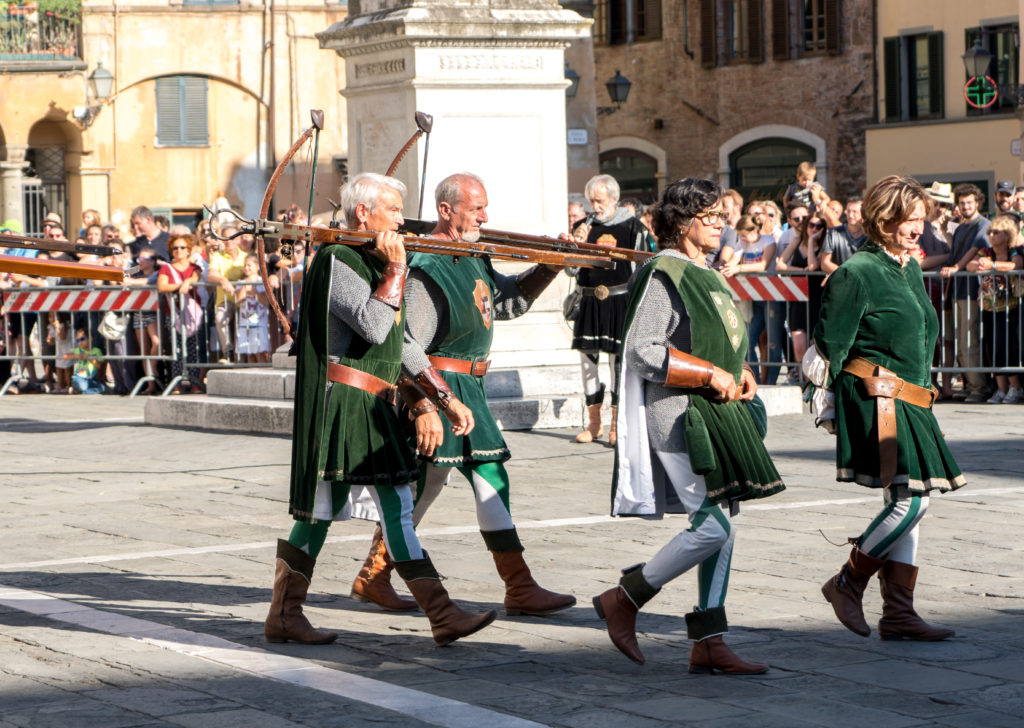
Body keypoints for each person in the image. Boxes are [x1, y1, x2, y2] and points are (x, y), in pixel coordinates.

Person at [263, 172, 494, 648]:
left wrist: (441, 396)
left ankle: (437, 612)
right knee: (322, 513)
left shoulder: (371, 259)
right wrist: (397, 271)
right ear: (363, 214)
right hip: (342, 403)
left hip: (371, 403)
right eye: (392, 210)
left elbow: (403, 343)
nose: (401, 221)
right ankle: (288, 614)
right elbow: (372, 326)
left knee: (393, 506)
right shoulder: (336, 260)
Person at [349, 172, 576, 618]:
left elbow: (505, 302)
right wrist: (423, 401)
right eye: (476, 209)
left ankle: (377, 574)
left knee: (440, 480)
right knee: (446, 479)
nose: (485, 216)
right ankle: (517, 585)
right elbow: (406, 341)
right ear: (446, 210)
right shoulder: (428, 265)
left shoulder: (474, 254)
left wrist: (548, 266)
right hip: (439, 386)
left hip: (470, 385)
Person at [594, 178, 784, 673]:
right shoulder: (665, 273)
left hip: (719, 414)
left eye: (723, 216)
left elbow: (723, 343)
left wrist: (741, 372)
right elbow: (642, 349)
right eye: (712, 216)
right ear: (682, 222)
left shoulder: (710, 274)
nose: (721, 224)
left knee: (724, 526)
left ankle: (709, 639)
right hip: (679, 415)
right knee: (713, 524)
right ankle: (625, 597)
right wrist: (710, 373)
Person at [811, 174, 961, 642]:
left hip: (914, 398)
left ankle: (898, 613)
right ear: (882, 218)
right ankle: (847, 582)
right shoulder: (856, 272)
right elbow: (829, 346)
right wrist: (831, 406)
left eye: (921, 219)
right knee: (912, 500)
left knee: (909, 497)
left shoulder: (908, 267)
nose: (917, 228)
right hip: (877, 398)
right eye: (907, 219)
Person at [569, 174, 648, 445]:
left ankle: (616, 424)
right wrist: (576, 245)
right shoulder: (583, 225)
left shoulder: (634, 227)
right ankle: (594, 423)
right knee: (587, 365)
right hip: (590, 302)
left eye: (599, 200)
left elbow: (641, 270)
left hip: (619, 301)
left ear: (614, 199)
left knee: (617, 365)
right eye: (591, 200)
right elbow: (570, 269)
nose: (595, 206)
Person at [939, 183, 990, 403]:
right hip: (956, 290)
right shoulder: (959, 228)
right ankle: (970, 385)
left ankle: (978, 387)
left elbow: (973, 252)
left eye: (969, 202)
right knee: (958, 340)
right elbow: (955, 251)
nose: (966, 206)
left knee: (969, 339)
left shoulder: (984, 225)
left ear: (977, 203)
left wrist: (957, 268)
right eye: (962, 203)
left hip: (971, 290)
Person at [964, 215, 1023, 403]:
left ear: (1007, 235)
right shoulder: (985, 252)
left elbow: (1018, 265)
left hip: (1009, 306)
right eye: (990, 232)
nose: (991, 235)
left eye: (996, 232)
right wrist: (981, 264)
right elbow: (969, 265)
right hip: (989, 307)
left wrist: (994, 266)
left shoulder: (1014, 251)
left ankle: (1015, 387)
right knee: (992, 347)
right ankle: (1001, 388)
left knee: (1007, 347)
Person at [720, 215, 784, 384]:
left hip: (772, 297)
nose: (742, 239)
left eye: (744, 235)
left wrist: (738, 267)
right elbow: (734, 258)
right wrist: (728, 267)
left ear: (755, 230)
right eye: (740, 235)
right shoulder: (742, 243)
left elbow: (763, 265)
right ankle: (754, 378)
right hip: (753, 298)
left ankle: (771, 382)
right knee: (747, 339)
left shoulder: (768, 241)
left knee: (773, 342)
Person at [157, 233, 203, 393]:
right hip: (174, 312)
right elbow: (162, 286)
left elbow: (196, 278)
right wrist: (180, 285)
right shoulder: (166, 268)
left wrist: (187, 282)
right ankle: (177, 382)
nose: (179, 250)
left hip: (192, 312)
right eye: (175, 248)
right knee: (176, 348)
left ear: (189, 249)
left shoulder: (194, 268)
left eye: (183, 247)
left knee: (193, 348)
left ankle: (194, 381)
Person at [205, 224, 248, 363]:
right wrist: (223, 280)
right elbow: (210, 275)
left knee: (240, 328)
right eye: (225, 238)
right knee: (220, 317)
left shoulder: (246, 256)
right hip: (226, 300)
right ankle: (228, 352)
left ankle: (241, 358)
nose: (228, 241)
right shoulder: (218, 256)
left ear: (238, 239)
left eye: (232, 237)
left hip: (244, 301)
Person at [125, 247, 162, 394]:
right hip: (139, 313)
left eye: (143, 259)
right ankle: (150, 384)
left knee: (156, 343)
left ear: (152, 261)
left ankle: (153, 369)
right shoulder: (136, 271)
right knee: (144, 350)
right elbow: (122, 275)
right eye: (138, 258)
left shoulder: (157, 273)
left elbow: (147, 281)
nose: (139, 261)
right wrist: (129, 266)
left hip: (153, 313)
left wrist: (129, 282)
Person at [236, 254, 271, 364]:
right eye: (245, 265)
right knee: (250, 353)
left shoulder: (263, 281)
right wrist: (246, 287)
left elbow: (266, 301)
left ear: (257, 266)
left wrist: (254, 292)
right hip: (245, 322)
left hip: (260, 322)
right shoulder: (241, 282)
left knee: (262, 352)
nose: (246, 268)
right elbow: (239, 299)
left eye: (249, 265)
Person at [820, 197, 866, 274]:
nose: (850, 215)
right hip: (841, 281)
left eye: (855, 212)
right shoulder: (833, 233)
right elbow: (825, 263)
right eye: (848, 211)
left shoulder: (870, 235)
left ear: (863, 213)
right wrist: (846, 274)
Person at [65, 329, 105, 394]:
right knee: (83, 386)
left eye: (82, 339)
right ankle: (81, 389)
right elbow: (65, 357)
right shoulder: (78, 350)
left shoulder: (96, 351)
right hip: (79, 377)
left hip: (91, 378)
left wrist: (90, 358)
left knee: (102, 388)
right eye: (77, 340)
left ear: (90, 338)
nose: (80, 342)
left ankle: (82, 392)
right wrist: (77, 356)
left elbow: (99, 366)